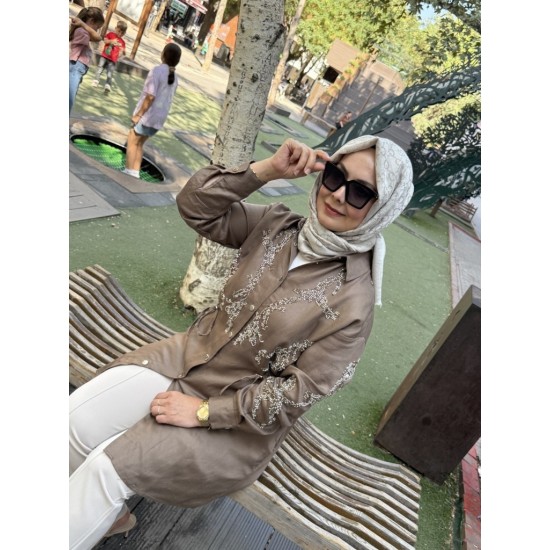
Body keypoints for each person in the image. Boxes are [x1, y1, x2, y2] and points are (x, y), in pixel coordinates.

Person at [69, 135, 413, 549]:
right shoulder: (277, 225)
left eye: (360, 192)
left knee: (106, 470)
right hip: (184, 361)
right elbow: (196, 207)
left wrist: (203, 411)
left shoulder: (354, 300)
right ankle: (104, 518)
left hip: (233, 422)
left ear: (383, 209)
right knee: (73, 424)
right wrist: (268, 170)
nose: (338, 194)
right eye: (336, 175)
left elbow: (296, 395)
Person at [122, 43, 182, 178]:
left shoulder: (156, 71)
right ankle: (135, 172)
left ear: (163, 55)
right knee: (139, 144)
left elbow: (150, 96)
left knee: (132, 140)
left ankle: (128, 173)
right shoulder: (175, 78)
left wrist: (138, 115)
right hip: (159, 119)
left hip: (147, 116)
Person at [69, 7, 105, 114]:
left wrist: (82, 24)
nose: (96, 30)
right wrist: (83, 24)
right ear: (91, 21)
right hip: (75, 67)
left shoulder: (83, 31)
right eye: (97, 27)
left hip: (77, 69)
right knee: (69, 98)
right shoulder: (82, 32)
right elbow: (98, 38)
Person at [91, 20, 127, 94]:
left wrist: (122, 51)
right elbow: (105, 41)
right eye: (119, 31)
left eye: (122, 33)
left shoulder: (122, 42)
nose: (120, 34)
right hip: (105, 56)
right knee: (100, 68)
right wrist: (111, 41)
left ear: (124, 33)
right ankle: (96, 80)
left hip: (113, 60)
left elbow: (123, 52)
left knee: (110, 73)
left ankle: (107, 85)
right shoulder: (110, 34)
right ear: (116, 28)